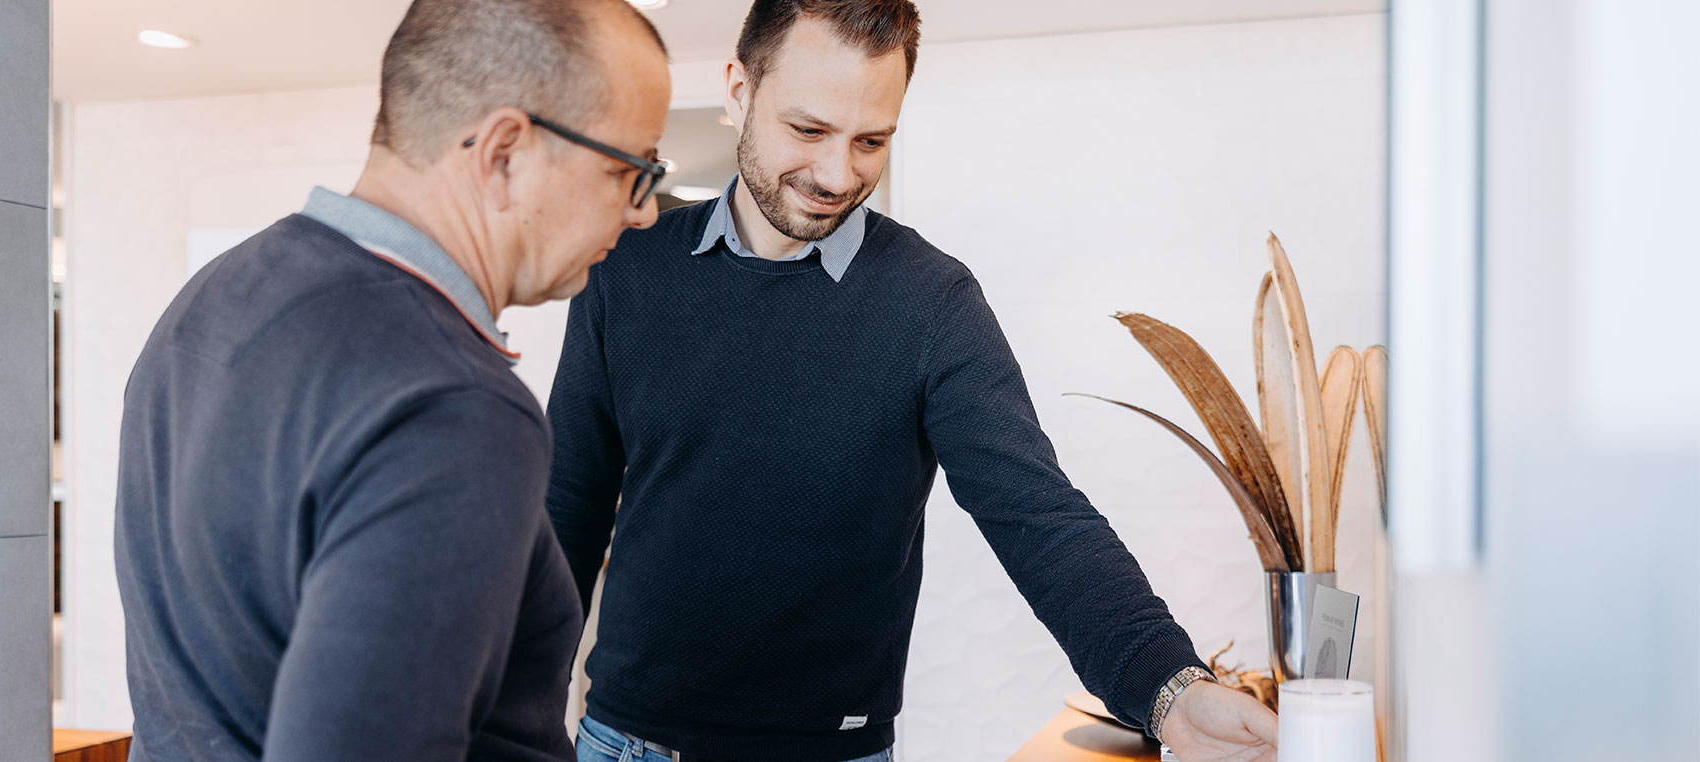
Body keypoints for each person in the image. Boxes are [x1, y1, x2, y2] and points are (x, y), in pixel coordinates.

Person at [546, 1, 1278, 761]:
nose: (838, 175)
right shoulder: (625, 269)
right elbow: (564, 512)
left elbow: (1038, 514)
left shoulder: (931, 302)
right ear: (738, 92)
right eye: (809, 130)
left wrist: (1171, 691)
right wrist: (512, 719)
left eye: (872, 141)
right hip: (626, 742)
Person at [112, 1, 670, 759]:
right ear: (504, 152)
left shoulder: (214, 298)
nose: (643, 214)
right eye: (628, 172)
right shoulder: (454, 407)